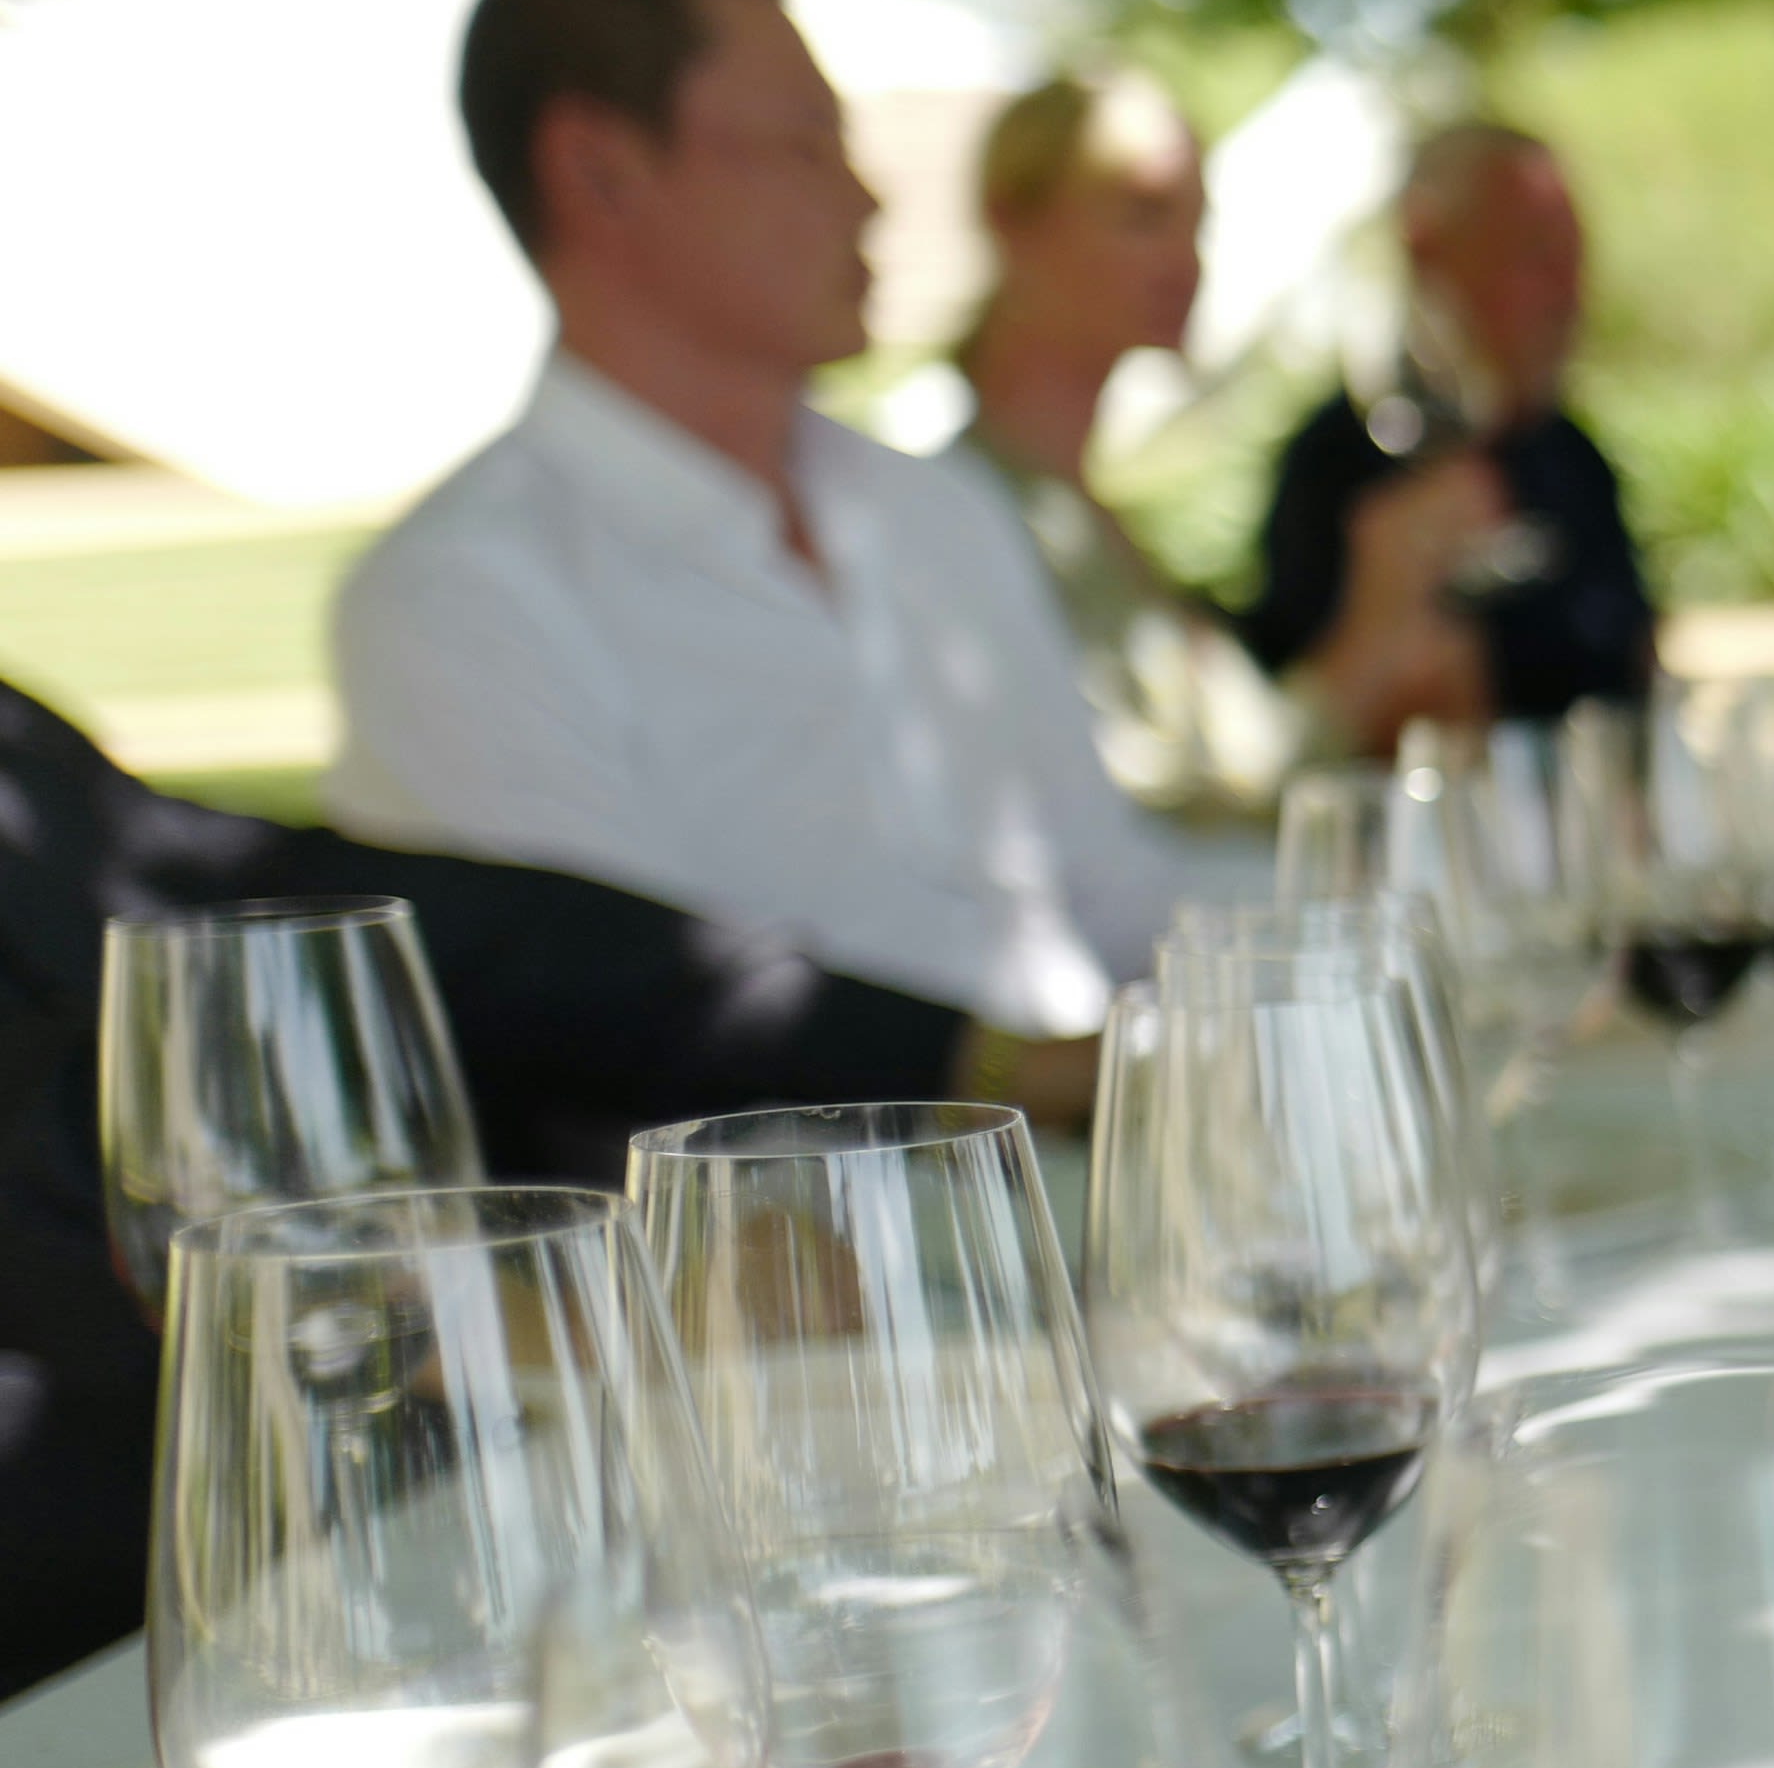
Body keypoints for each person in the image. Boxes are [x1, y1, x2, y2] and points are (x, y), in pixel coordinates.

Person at [0, 679, 1058, 1697]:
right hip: (100, 1657)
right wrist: (514, 1308)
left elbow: (385, 927)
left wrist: (972, 1058)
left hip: (364, 1585)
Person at [328, 0, 1182, 1039]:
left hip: (1108, 1160)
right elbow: (646, 1048)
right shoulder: (459, 602)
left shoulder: (932, 514)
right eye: (807, 146)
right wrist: (1053, 1091)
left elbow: (1119, 895)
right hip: (856, 1196)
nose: (867, 200)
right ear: (598, 171)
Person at [946, 70, 1485, 818]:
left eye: (1196, 225)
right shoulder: (968, 521)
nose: (1185, 261)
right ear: (1010, 220)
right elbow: (1153, 827)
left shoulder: (1082, 516)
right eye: (1143, 213)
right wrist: (1374, 624)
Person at [1246, 121, 1660, 725]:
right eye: (1535, 257)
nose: (1567, 295)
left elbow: (1639, 672)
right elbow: (1321, 744)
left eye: (1575, 261)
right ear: (1426, 249)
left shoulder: (1572, 455)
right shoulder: (1339, 466)